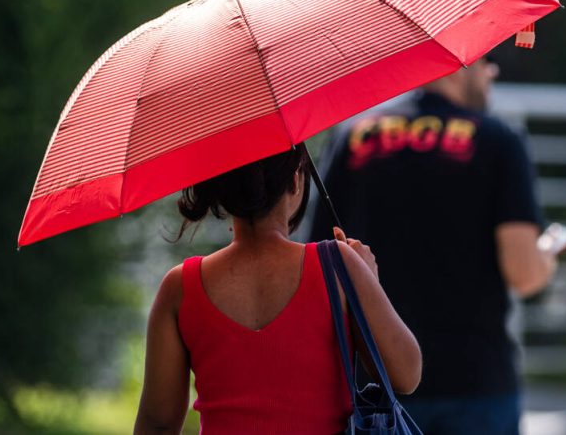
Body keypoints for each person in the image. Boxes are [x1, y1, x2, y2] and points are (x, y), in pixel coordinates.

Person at [306, 53, 559, 434]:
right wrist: (547, 257)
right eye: (486, 61)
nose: (492, 72)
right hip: (474, 383)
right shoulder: (498, 140)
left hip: (378, 384)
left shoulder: (352, 136)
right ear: (459, 67)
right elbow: (523, 273)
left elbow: (322, 262)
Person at [134, 148, 422, 434]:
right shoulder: (338, 265)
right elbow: (407, 374)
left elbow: (158, 423)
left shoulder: (179, 287)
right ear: (295, 180)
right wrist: (366, 279)